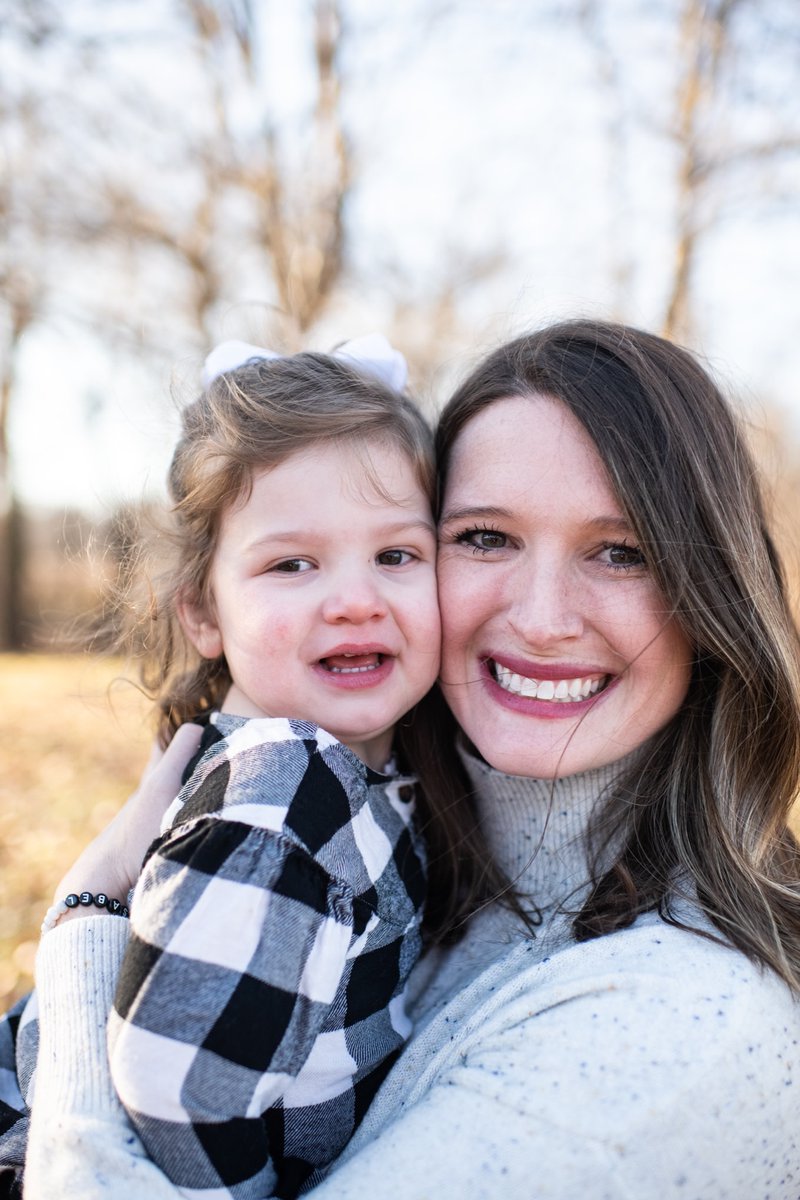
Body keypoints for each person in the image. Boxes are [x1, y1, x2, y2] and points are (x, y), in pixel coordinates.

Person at [22, 320, 800, 1199]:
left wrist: (85, 923)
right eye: (485, 538)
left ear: (713, 594)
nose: (542, 618)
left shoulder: (668, 1034)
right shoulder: (400, 837)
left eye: (622, 553)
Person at [0, 334, 501, 1200]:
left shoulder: (355, 776)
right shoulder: (287, 789)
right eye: (290, 564)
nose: (354, 599)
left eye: (395, 555)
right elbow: (178, 1088)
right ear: (202, 610)